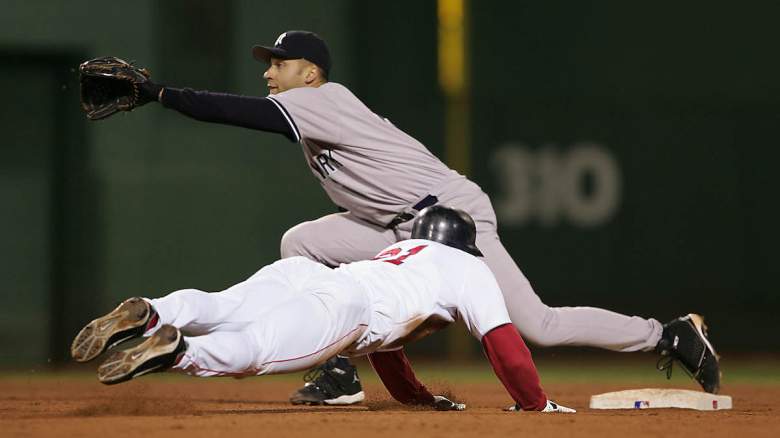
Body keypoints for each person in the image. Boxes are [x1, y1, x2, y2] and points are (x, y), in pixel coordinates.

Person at [128, 30, 720, 404]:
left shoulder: (323, 101)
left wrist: (161, 94)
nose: (268, 71)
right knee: (302, 242)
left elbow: (242, 114)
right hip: (394, 224)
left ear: (310, 74)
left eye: (279, 63)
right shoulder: (312, 123)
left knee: (538, 324)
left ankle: (666, 333)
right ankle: (341, 373)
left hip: (451, 218)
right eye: (269, 63)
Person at [71, 206, 576, 413]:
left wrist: (419, 399)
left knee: (222, 306)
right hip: (346, 304)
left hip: (315, 274)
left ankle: (156, 313)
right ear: (465, 245)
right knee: (255, 351)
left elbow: (386, 351)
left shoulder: (400, 257)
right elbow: (505, 346)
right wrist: (536, 404)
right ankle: (180, 351)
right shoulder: (467, 269)